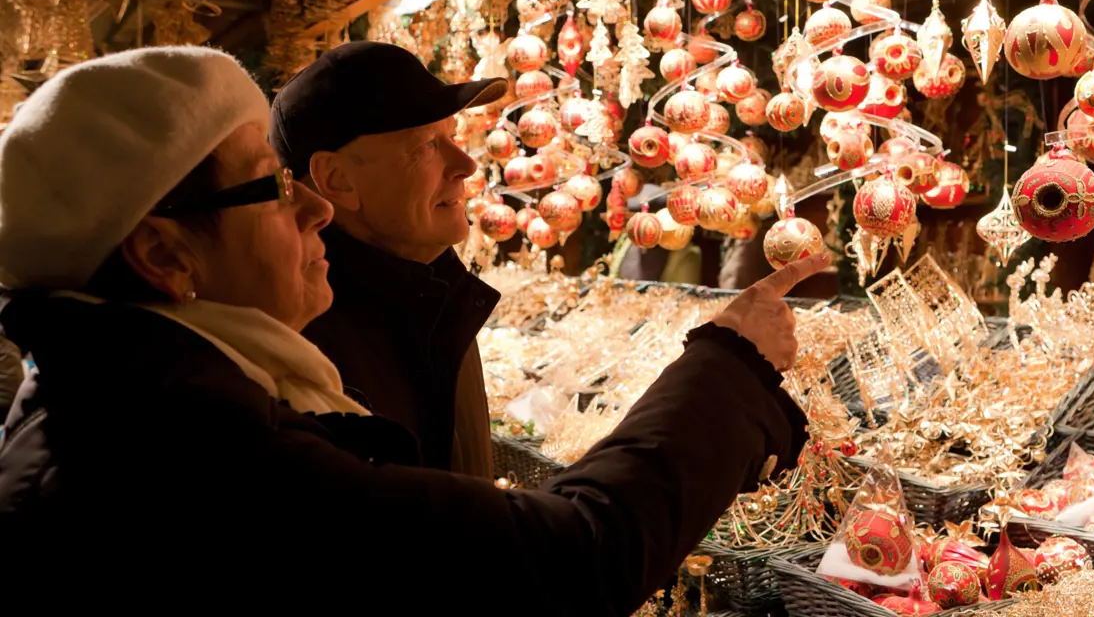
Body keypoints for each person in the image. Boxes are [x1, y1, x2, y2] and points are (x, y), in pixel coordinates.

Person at [0, 47, 820, 609]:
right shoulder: (179, 460)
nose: (311, 210)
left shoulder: (143, 399)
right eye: (267, 188)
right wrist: (728, 365)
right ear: (163, 254)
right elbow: (569, 564)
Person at [269, 41, 506, 476]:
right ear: (338, 180)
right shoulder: (299, 348)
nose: (466, 164)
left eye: (451, 136)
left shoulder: (438, 290)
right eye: (427, 145)